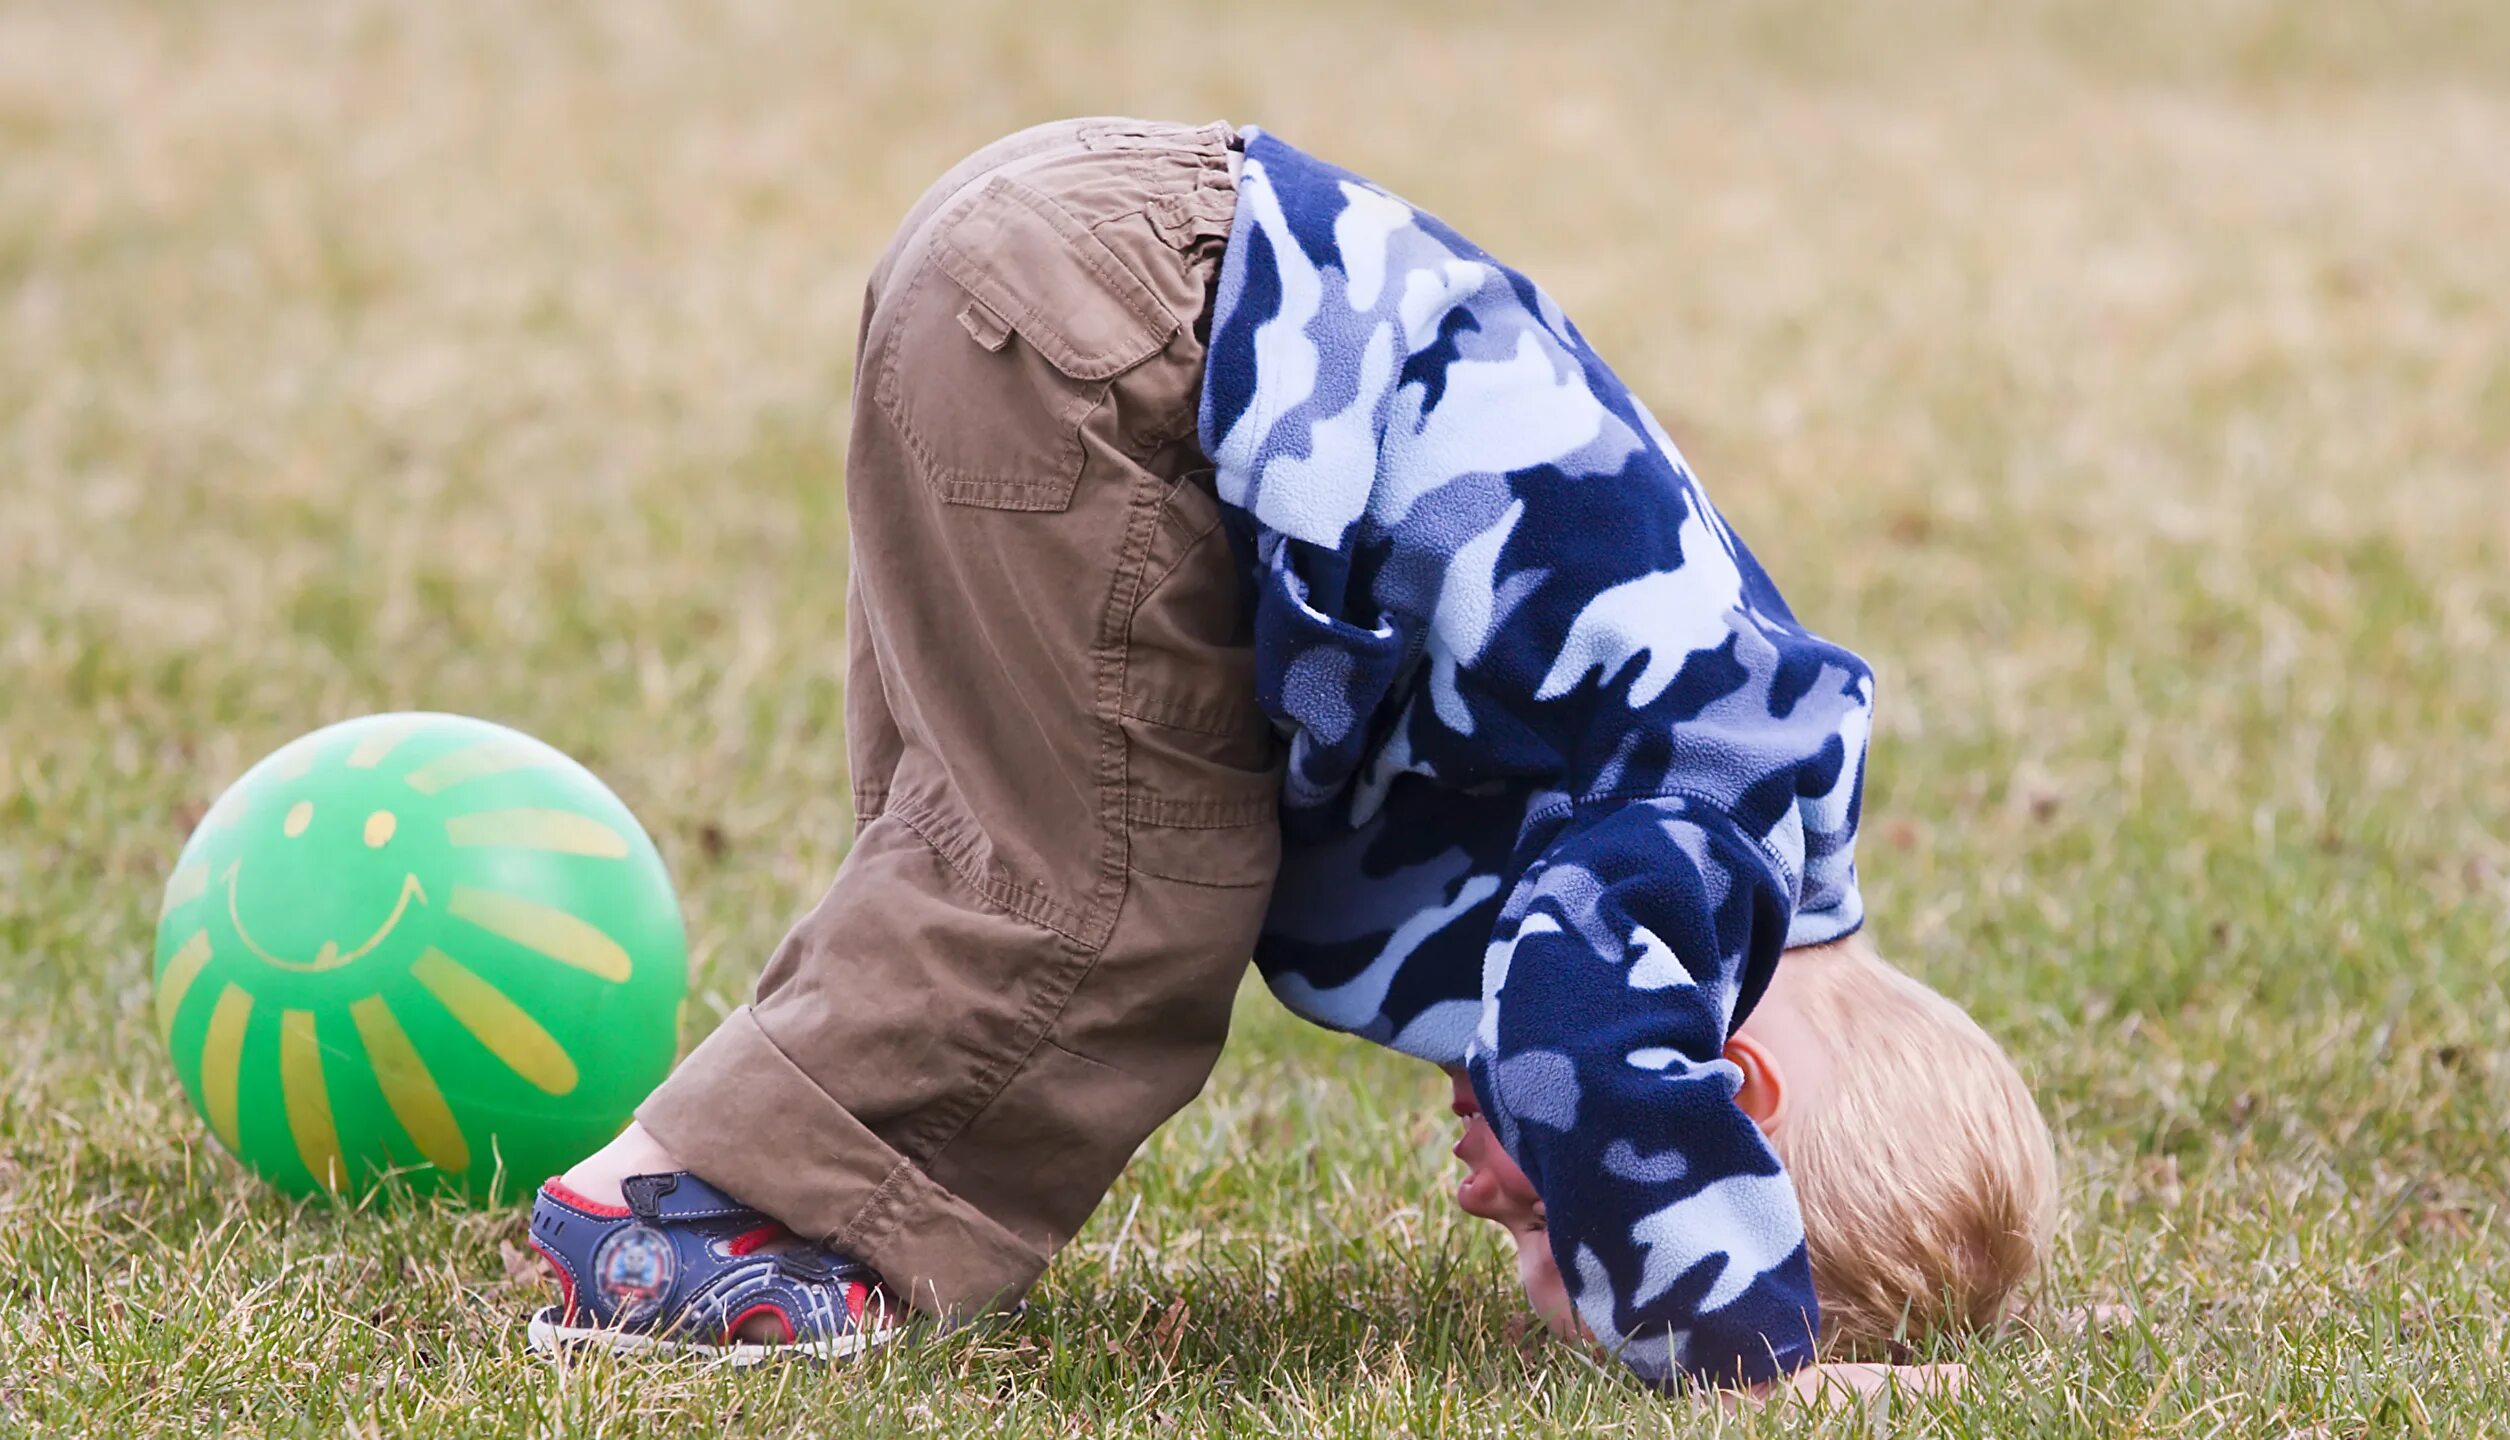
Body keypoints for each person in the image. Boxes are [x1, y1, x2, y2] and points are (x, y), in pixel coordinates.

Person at [520, 117, 2058, 1396]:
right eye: (1552, 1233)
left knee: (988, 838)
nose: (1474, 1200)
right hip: (1135, 346)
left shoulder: (1743, 783)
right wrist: (1748, 1360)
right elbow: (1577, 1035)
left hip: (1089, 261)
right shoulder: (1705, 847)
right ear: (1722, 1091)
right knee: (1116, 890)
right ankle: (667, 1214)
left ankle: (796, 1194)